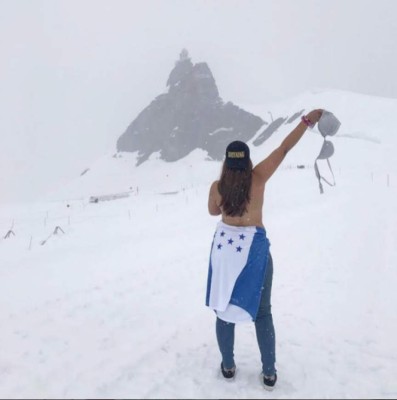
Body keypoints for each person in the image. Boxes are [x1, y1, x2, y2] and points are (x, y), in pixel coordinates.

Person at [205, 109, 323, 390]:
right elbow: (283, 149)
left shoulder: (217, 187)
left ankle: (229, 366)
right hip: (254, 251)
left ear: (226, 163)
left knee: (223, 308)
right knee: (263, 312)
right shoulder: (257, 178)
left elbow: (212, 211)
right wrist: (306, 122)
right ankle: (269, 372)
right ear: (247, 162)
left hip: (226, 252)